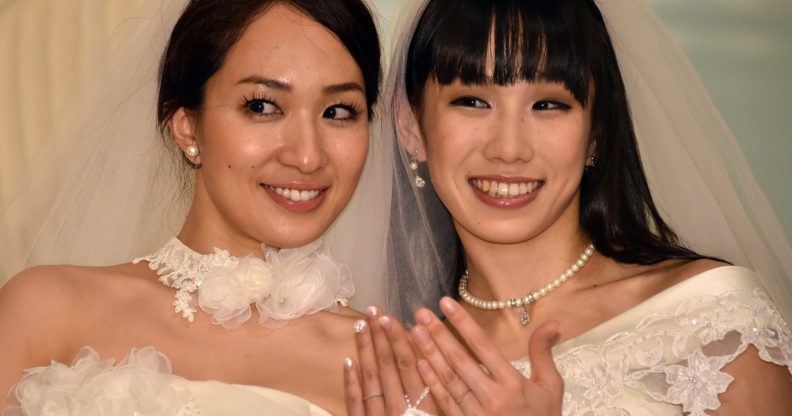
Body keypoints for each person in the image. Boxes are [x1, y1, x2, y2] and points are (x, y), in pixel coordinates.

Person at [343, 0, 792, 415]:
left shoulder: (716, 322)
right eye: (473, 101)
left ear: (595, 132)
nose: (509, 148)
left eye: (548, 105)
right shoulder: (399, 365)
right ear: (410, 125)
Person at [0, 0, 385, 414]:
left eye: (338, 111)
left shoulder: (388, 364)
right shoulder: (47, 309)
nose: (307, 156)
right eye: (262, 106)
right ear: (187, 126)